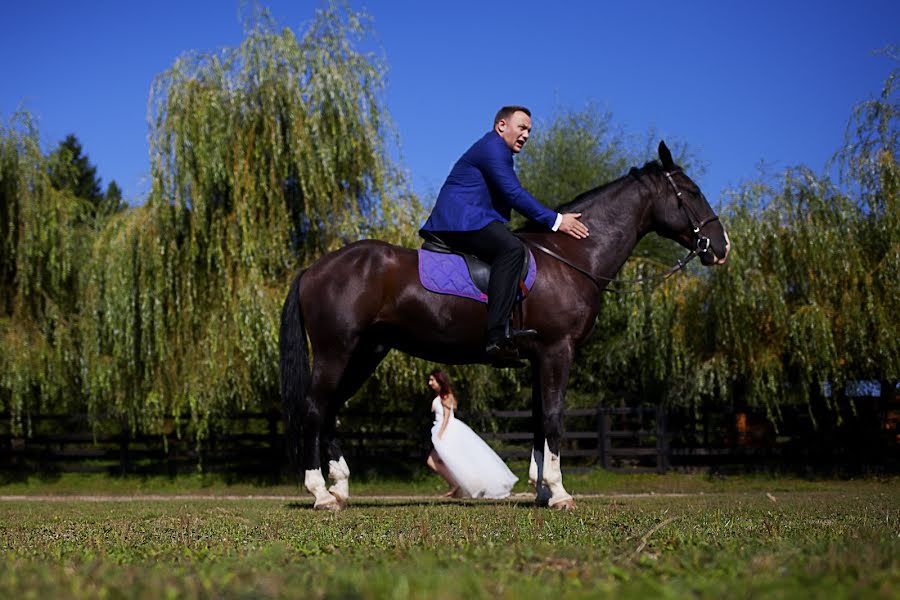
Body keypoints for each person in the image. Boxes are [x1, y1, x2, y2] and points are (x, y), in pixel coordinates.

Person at [419, 106, 590, 364]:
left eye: (530, 131)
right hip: (461, 220)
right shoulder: (493, 148)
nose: (527, 135)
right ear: (501, 126)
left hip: (470, 219)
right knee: (512, 249)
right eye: (522, 127)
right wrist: (556, 221)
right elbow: (514, 194)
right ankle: (497, 336)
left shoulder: (497, 151)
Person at [425, 370, 518, 499]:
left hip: (446, 430)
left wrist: (440, 433)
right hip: (446, 429)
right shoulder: (444, 396)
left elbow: (447, 416)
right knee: (446, 460)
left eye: (432, 380)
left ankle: (456, 485)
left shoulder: (445, 396)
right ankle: (456, 487)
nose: (430, 383)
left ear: (439, 381)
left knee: (435, 460)